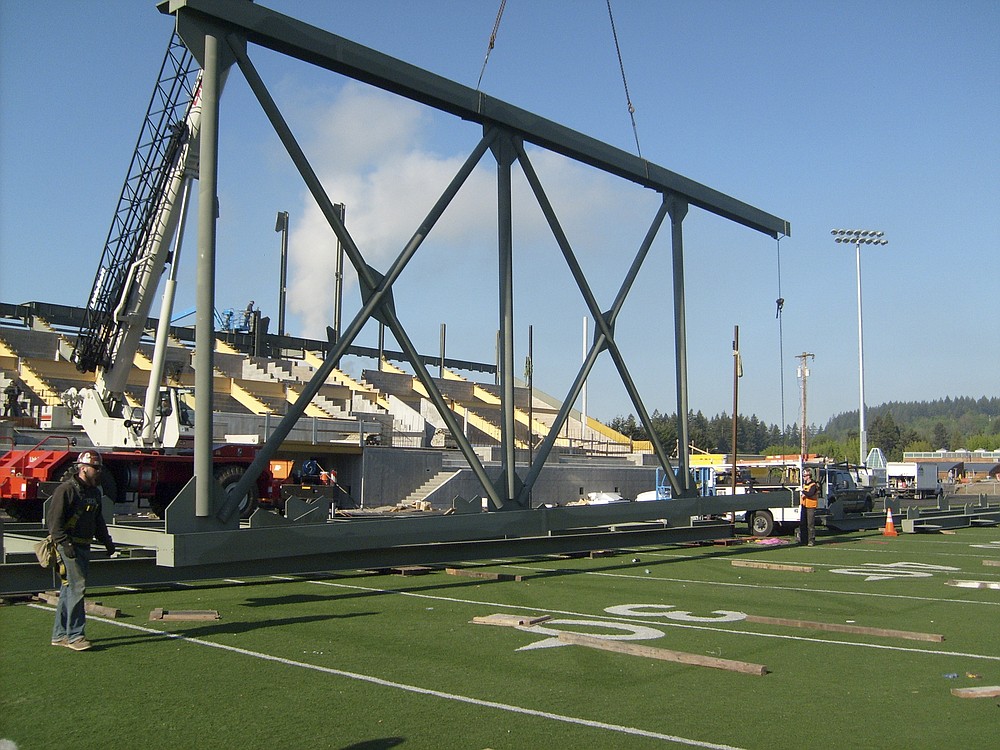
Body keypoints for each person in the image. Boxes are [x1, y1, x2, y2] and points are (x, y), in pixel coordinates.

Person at [46, 450, 115, 651]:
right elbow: (54, 522)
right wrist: (64, 544)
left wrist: (107, 541)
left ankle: (60, 635)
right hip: (69, 547)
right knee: (77, 588)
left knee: (69, 591)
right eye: (95, 468)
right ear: (83, 468)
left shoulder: (94, 492)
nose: (98, 472)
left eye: (99, 468)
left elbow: (98, 519)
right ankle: (75, 636)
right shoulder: (66, 490)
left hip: (83, 545)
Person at [799, 468, 820, 546]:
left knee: (810, 524)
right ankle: (803, 540)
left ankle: (811, 540)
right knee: (803, 524)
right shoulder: (805, 484)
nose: (804, 477)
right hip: (804, 506)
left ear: (809, 476)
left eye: (805, 476)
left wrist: (803, 491)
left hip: (810, 506)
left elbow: (810, 493)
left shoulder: (813, 485)